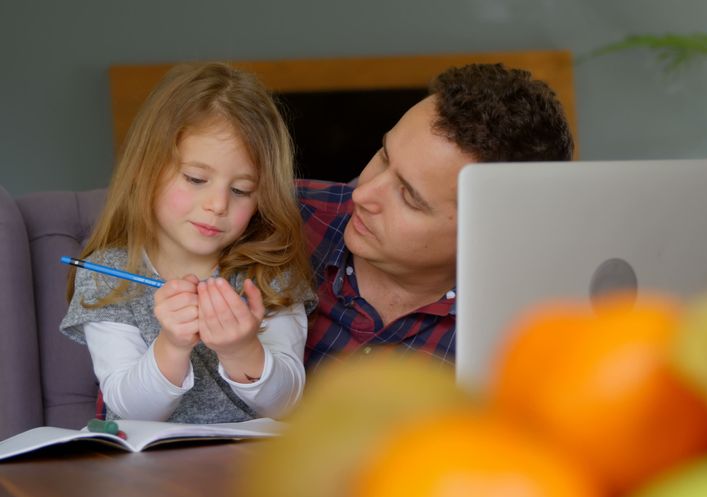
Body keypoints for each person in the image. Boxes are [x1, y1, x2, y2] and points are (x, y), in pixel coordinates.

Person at [60, 62, 315, 423]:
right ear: (144, 170)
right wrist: (172, 345)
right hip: (150, 472)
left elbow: (286, 404)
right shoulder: (109, 275)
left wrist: (242, 349)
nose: (218, 205)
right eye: (196, 179)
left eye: (242, 190)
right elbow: (130, 410)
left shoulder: (269, 269)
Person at [299, 63, 573, 371]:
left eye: (408, 197)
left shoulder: (524, 337)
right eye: (383, 156)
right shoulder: (272, 218)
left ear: (486, 235)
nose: (362, 195)